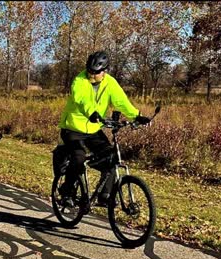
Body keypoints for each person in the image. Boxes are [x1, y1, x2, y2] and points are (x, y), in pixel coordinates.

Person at [57, 50, 151, 207]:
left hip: (93, 129)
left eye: (96, 72)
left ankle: (104, 195)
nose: (92, 75)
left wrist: (136, 116)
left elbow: (121, 102)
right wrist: (91, 113)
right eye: (90, 71)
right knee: (78, 157)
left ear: (105, 71)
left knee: (111, 157)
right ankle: (67, 191)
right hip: (72, 128)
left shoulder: (110, 83)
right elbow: (81, 100)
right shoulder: (79, 80)